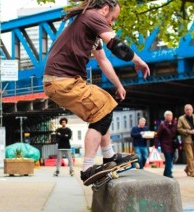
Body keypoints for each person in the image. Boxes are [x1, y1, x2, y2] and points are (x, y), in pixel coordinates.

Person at [43, 0, 150, 181]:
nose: (112, 23)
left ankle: (109, 156)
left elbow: (103, 61)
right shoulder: (93, 16)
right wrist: (137, 60)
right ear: (105, 9)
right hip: (63, 81)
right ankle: (88, 168)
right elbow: (117, 45)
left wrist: (118, 85)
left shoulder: (90, 29)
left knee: (103, 107)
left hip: (63, 81)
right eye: (112, 18)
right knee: (103, 108)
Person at [177, 104, 194, 177]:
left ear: (192, 110)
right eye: (187, 110)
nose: (189, 111)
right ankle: (192, 171)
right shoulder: (181, 119)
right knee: (190, 156)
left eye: (190, 109)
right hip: (187, 140)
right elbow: (179, 129)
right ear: (185, 111)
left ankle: (187, 169)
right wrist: (189, 131)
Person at [154, 111, 177, 178]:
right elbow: (158, 135)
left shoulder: (175, 124)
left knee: (170, 159)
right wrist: (156, 145)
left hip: (173, 144)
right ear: (165, 117)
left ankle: (165, 173)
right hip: (165, 144)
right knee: (168, 159)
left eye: (170, 115)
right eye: (168, 116)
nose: (169, 117)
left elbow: (177, 132)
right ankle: (169, 173)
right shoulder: (162, 125)